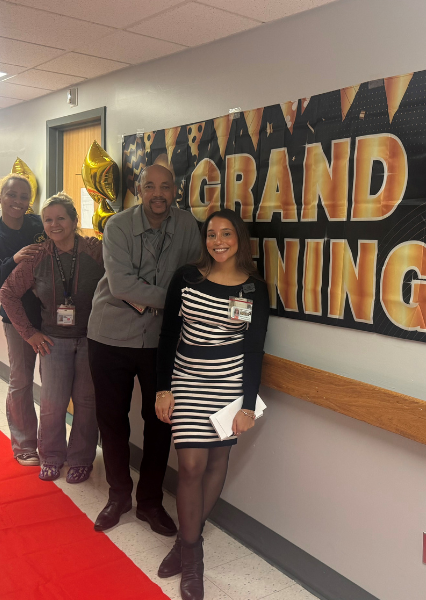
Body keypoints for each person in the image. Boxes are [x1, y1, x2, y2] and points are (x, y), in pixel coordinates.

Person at [154, 208, 270, 600]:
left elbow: (254, 350)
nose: (218, 241)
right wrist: (163, 388)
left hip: (228, 387)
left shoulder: (254, 289)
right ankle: (193, 555)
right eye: (211, 235)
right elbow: (168, 335)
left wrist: (248, 406)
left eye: (226, 234)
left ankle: (186, 546)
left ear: (240, 239)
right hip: (187, 381)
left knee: (217, 463)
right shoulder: (186, 278)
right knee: (190, 465)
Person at [88, 164, 203, 533]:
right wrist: (174, 301)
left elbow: (195, 274)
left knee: (159, 422)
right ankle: (118, 494)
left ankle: (150, 503)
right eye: (150, 186)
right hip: (110, 336)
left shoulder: (187, 226)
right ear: (138, 190)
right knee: (112, 419)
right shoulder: (118, 226)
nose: (158, 193)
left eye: (165, 187)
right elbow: (122, 285)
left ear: (175, 191)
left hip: (160, 342)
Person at [0, 193, 104, 482]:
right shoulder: (38, 256)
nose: (54, 224)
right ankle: (52, 456)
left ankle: (82, 458)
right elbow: (7, 293)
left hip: (90, 340)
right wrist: (29, 333)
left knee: (86, 402)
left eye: (61, 218)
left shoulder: (96, 252)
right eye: (48, 220)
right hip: (53, 342)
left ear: (74, 220)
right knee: (53, 404)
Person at [0, 173, 45, 467]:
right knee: (21, 381)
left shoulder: (40, 225)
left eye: (24, 196)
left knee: (56, 382)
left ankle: (53, 443)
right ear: (0, 197)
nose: (18, 202)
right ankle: (24, 445)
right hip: (18, 320)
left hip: (54, 313)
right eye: (12, 195)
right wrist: (13, 259)